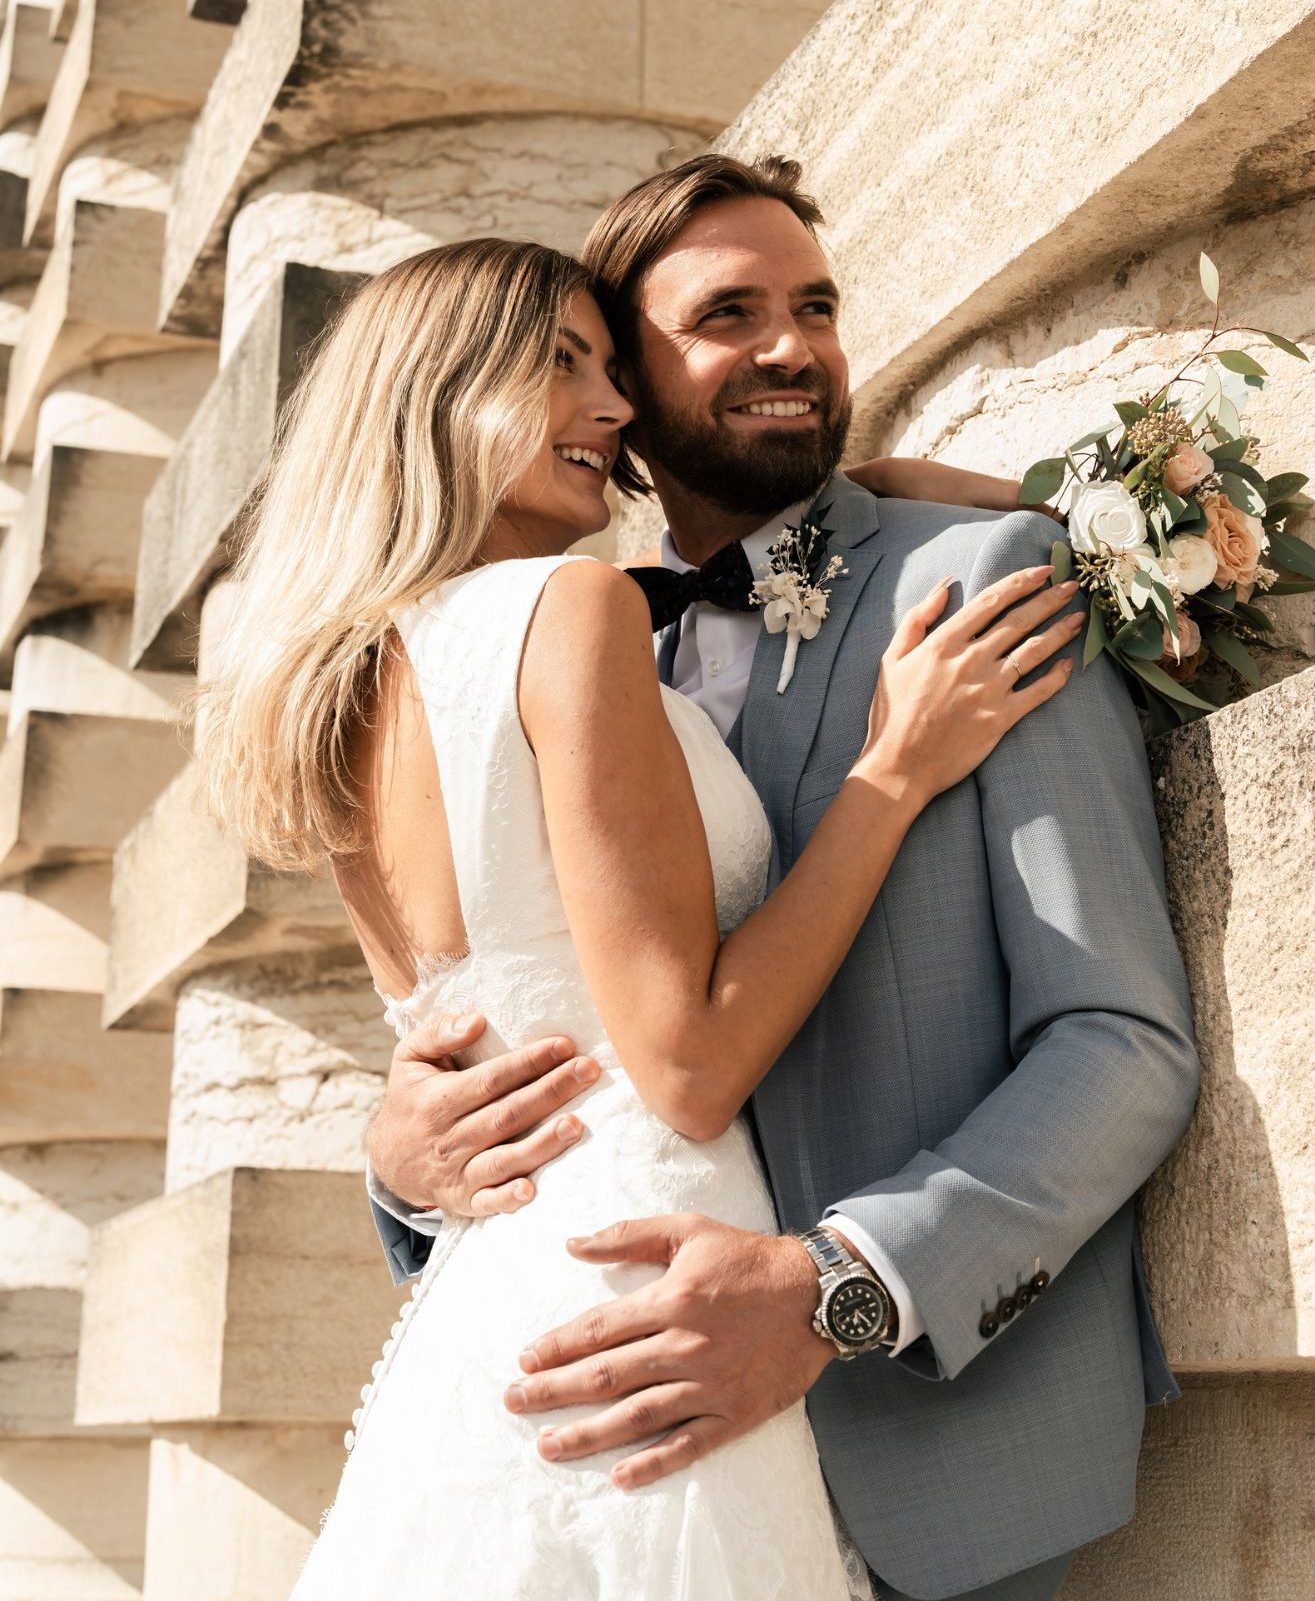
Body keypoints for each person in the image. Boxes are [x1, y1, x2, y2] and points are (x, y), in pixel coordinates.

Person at [197, 229, 1083, 1600]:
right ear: (439, 393)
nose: (609, 413)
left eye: (612, 368)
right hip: (648, 1276)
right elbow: (685, 1064)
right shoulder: (569, 607)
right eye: (557, 366)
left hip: (494, 1308)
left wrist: (873, 493)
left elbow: (476, 1015)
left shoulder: (345, 684)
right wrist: (889, 775)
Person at [363, 155, 1202, 1601]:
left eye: (814, 306)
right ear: (618, 392)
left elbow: (1117, 1040)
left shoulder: (980, 578)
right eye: (729, 313)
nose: (791, 347)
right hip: (624, 1440)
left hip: (948, 1459)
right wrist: (404, 1168)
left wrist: (837, 1291)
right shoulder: (563, 637)